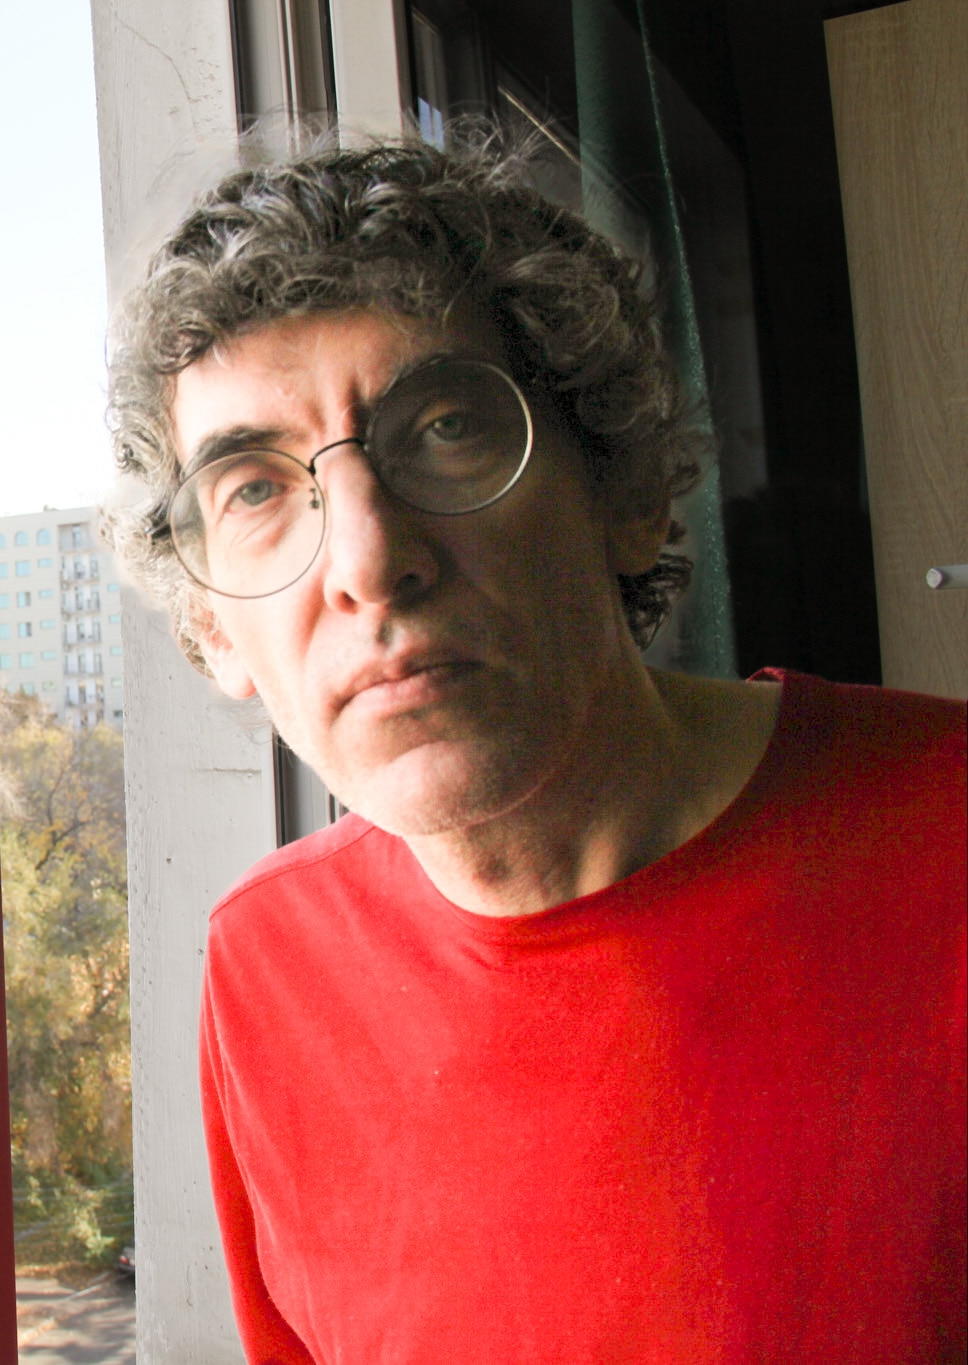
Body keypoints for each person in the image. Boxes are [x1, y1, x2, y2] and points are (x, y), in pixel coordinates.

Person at [102, 137, 966, 1363]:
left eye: (444, 427)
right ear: (208, 629)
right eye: (251, 487)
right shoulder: (264, 966)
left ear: (626, 491)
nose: (362, 560)